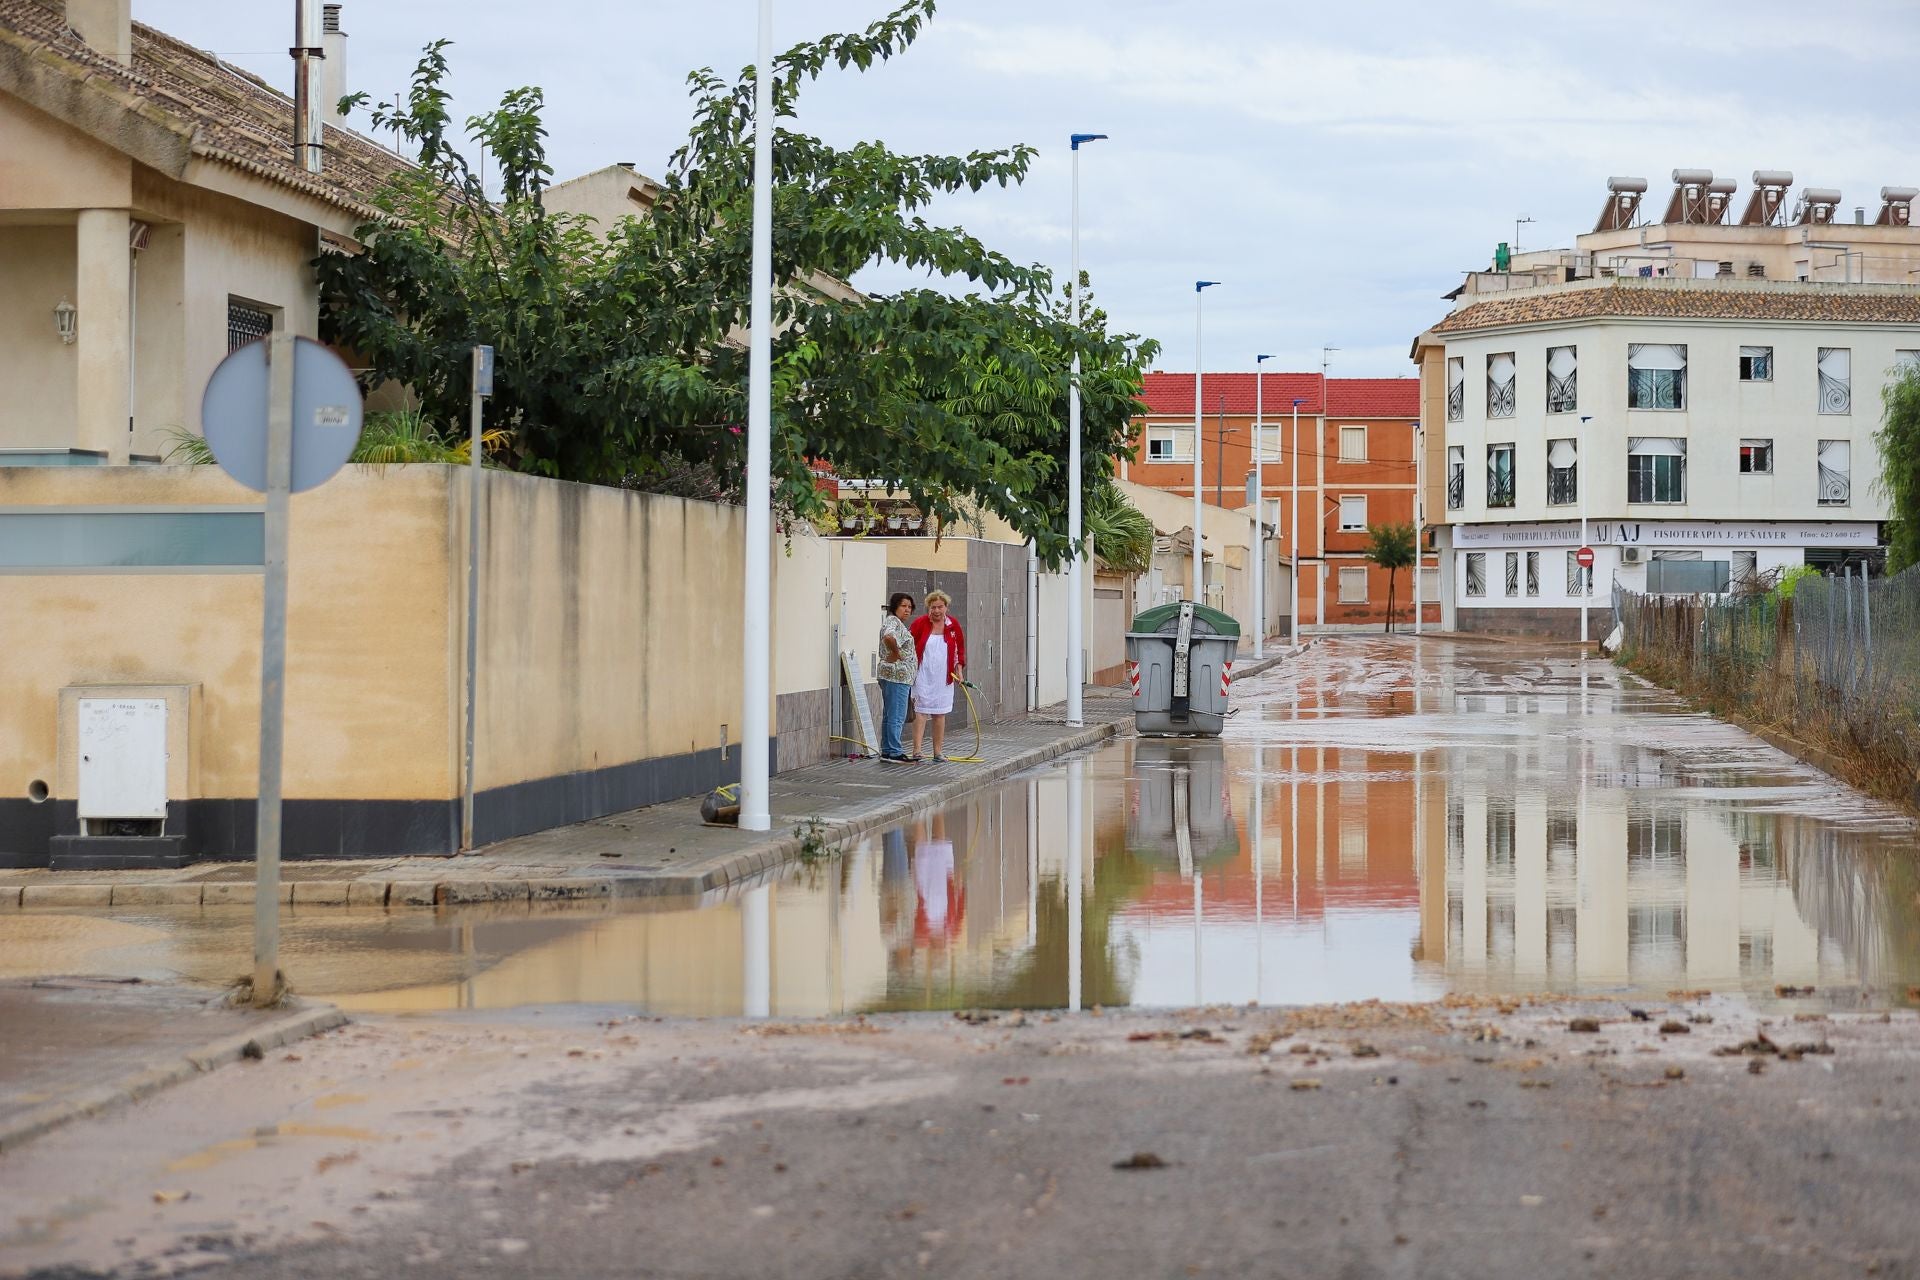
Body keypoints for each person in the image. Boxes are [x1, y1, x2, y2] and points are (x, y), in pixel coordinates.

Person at [908, 590, 966, 763]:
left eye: (940, 607)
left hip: (944, 676)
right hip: (923, 674)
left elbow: (958, 651)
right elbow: (909, 647)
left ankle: (937, 752)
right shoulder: (920, 623)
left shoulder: (953, 625)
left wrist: (959, 671)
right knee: (921, 711)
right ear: (929, 608)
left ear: (946, 607)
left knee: (940, 713)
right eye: (933, 607)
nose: (937, 611)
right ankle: (917, 750)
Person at [876, 592, 919, 762]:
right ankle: (894, 751)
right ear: (895, 606)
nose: (907, 610)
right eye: (903, 606)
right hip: (897, 676)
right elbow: (888, 637)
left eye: (909, 607)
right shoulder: (893, 622)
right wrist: (896, 653)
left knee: (890, 714)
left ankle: (887, 749)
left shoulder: (895, 623)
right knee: (897, 715)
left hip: (894, 676)